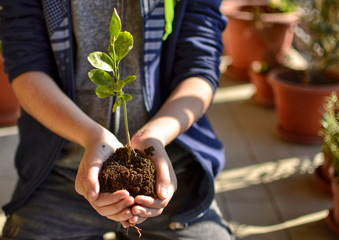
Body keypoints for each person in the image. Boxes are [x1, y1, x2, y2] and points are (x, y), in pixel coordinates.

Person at [0, 0, 233, 239]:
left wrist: (155, 137)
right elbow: (26, 64)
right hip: (61, 172)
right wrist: (91, 136)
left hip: (174, 169)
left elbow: (200, 66)